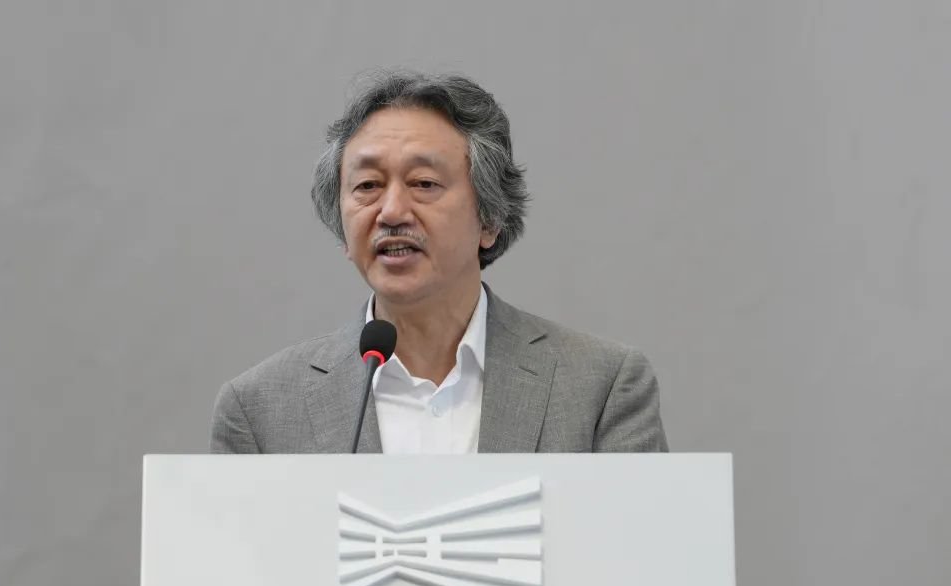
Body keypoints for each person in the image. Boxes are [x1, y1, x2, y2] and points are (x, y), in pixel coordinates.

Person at [211, 70, 667, 454]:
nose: (391, 212)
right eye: (367, 186)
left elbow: (637, 536)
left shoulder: (600, 387)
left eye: (424, 183)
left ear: (490, 218)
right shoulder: (259, 410)